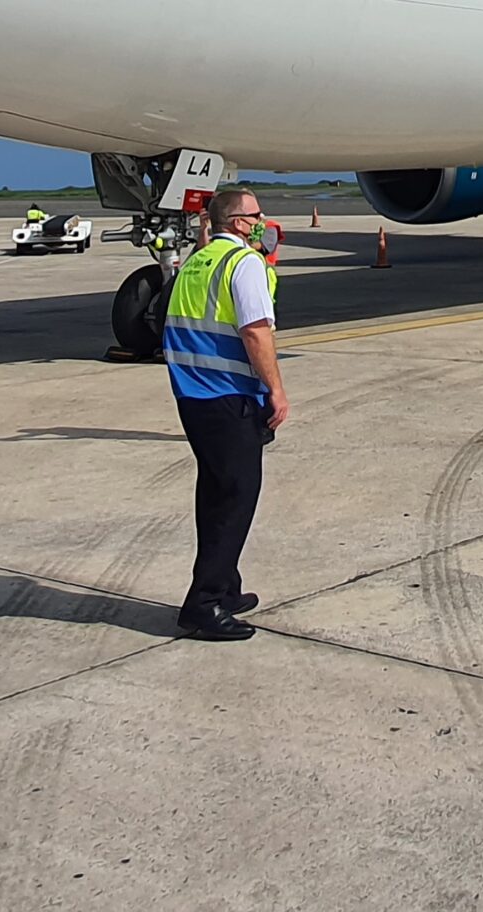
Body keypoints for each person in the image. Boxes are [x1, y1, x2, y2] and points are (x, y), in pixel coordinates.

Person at [162, 184, 290, 641]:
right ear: (238, 223)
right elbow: (256, 332)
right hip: (229, 396)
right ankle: (206, 603)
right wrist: (275, 389)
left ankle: (227, 586)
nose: (262, 221)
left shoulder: (197, 261)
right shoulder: (244, 263)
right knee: (236, 498)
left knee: (215, 493)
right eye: (255, 214)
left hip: (193, 395)